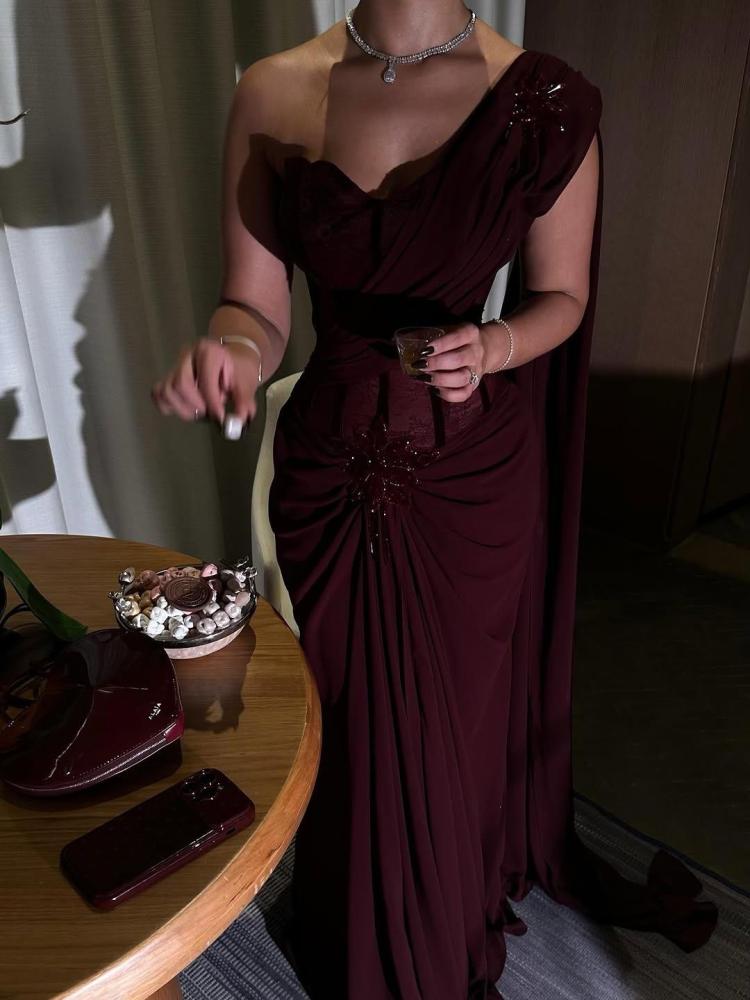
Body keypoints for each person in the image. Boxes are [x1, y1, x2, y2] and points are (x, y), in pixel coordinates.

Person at [152, 3, 718, 997]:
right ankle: (360, 922)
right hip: (329, 475)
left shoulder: (543, 99)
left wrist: (496, 344)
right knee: (353, 722)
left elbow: (563, 296)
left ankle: (438, 923)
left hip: (470, 471)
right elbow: (256, 304)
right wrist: (231, 350)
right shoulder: (274, 90)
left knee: (454, 721)